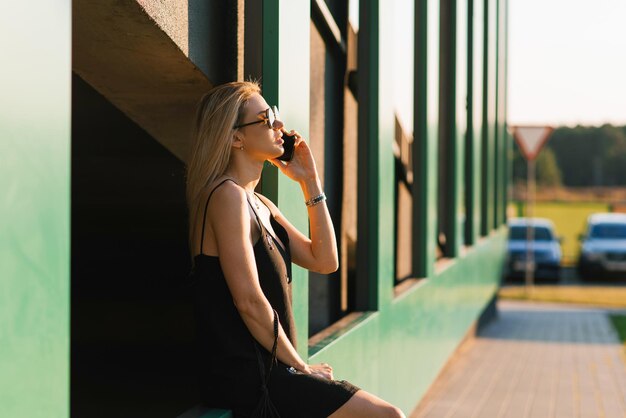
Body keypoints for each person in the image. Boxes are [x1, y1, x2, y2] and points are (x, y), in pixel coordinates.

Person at [185, 81, 405, 418]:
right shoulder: (225, 196)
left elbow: (325, 260)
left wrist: (310, 181)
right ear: (235, 138)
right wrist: (302, 367)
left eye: (274, 116)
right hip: (251, 377)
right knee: (387, 415)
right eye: (265, 119)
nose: (279, 126)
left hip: (274, 371)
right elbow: (249, 301)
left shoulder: (261, 204)